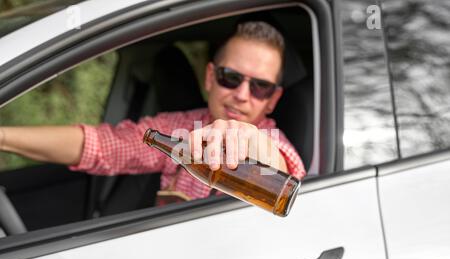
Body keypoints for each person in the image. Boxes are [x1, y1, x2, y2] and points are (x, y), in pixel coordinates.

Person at [0, 21, 306, 201]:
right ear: (210, 77)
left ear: (273, 99)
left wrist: (250, 143)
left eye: (260, 87)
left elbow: (281, 172)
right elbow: (104, 146)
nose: (241, 95)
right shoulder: (182, 127)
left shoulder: (273, 143)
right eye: (231, 78)